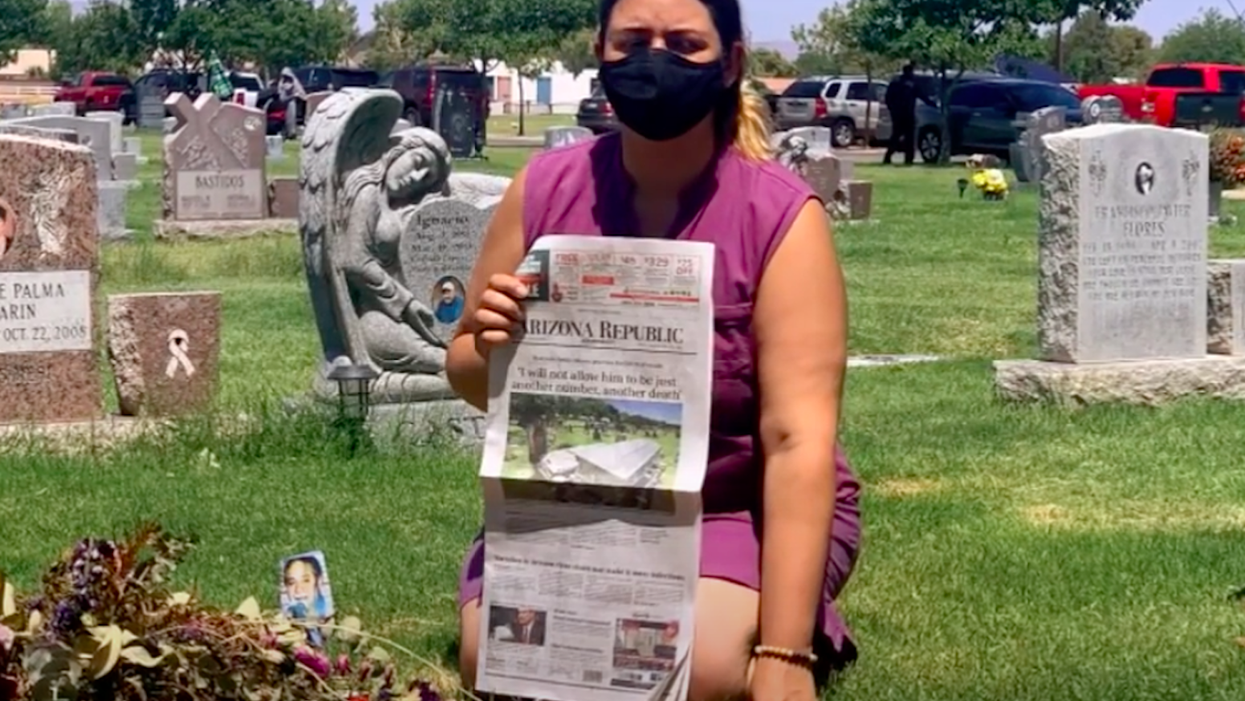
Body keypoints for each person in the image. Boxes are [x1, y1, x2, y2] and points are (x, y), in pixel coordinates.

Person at [448, 0, 862, 699]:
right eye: (632, 40)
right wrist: (488, 343)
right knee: (498, 658)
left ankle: (777, 603)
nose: (654, 59)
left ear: (729, 63)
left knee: (686, 667)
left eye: (683, 43)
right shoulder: (541, 190)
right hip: (568, 503)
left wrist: (783, 655)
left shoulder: (781, 217)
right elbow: (463, 371)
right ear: (599, 51)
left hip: (733, 504)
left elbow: (796, 439)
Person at [883, 63, 932, 165]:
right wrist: (931, 103)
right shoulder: (908, 83)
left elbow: (887, 98)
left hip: (902, 113)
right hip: (904, 113)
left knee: (900, 136)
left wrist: (892, 109)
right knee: (904, 136)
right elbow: (922, 95)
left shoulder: (898, 83)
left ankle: (903, 158)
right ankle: (903, 158)